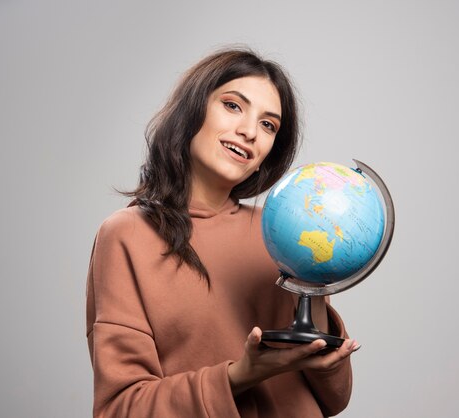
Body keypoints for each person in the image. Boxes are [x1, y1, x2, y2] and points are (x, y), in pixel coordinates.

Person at [85, 47, 359, 418]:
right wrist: (239, 376)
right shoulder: (127, 236)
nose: (248, 132)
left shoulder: (282, 229)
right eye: (233, 106)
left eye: (268, 125)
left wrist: (326, 357)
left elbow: (334, 398)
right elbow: (121, 408)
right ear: (194, 109)